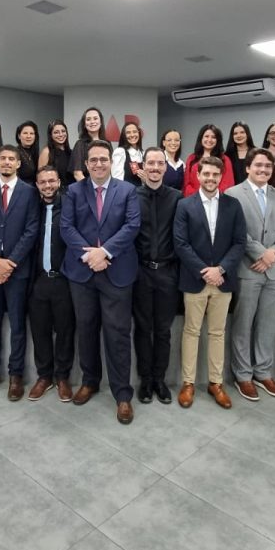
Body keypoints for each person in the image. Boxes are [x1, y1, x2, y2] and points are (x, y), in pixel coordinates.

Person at [61, 140, 141, 425]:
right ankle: (90, 381)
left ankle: (122, 394)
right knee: (86, 329)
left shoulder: (128, 190)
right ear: (86, 164)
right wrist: (90, 255)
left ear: (111, 161)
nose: (98, 164)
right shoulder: (73, 191)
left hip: (117, 271)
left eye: (103, 159)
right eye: (93, 160)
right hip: (82, 272)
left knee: (118, 333)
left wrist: (104, 252)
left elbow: (132, 226)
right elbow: (66, 227)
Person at [173, 156, 246, 409]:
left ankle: (216, 383)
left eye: (215, 174)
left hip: (223, 280)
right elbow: (181, 243)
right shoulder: (185, 205)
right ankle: (188, 383)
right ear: (198, 175)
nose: (211, 178)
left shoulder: (233, 205)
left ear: (221, 176)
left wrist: (221, 269)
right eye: (206, 174)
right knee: (191, 331)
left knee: (217, 332)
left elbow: (239, 242)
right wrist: (205, 271)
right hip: (195, 279)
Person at [225, 148, 275, 400]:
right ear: (248, 167)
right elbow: (236, 232)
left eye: (268, 166)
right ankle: (243, 375)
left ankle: (263, 373)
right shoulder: (232, 194)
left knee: (267, 324)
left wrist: (272, 254)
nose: (263, 170)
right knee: (243, 324)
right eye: (258, 165)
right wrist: (260, 253)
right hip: (248, 269)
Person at [0, 145, 40, 400]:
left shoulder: (29, 192)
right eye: (3, 158)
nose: (7, 162)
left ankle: (16, 375)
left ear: (18, 164)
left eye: (12, 159)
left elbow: (31, 230)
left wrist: (9, 263)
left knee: (17, 325)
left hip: (17, 271)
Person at [132, 146, 181, 404]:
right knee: (142, 328)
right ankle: (145, 380)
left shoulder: (177, 198)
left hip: (167, 273)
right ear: (143, 166)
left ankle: (159, 379)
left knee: (163, 330)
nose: (154, 168)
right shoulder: (132, 196)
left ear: (165, 167)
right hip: (140, 272)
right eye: (150, 163)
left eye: (159, 163)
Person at [26, 164, 75, 402]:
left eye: (52, 181)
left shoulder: (69, 207)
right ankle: (44, 376)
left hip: (63, 280)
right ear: (37, 185)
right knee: (40, 331)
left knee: (65, 331)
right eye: (43, 182)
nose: (48, 186)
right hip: (38, 281)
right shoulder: (32, 209)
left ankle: (62, 377)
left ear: (59, 182)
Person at [182, 124, 234, 196]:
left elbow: (228, 184)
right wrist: (199, 197)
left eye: (213, 137)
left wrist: (211, 196)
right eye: (206, 136)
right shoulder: (191, 158)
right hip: (193, 199)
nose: (209, 140)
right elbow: (186, 184)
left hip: (217, 199)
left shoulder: (225, 160)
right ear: (201, 138)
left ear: (218, 140)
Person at [70, 106, 106, 182]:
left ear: (101, 122)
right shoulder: (80, 145)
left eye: (95, 118)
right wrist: (93, 188)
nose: (92, 122)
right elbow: (77, 174)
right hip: (86, 187)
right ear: (84, 124)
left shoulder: (107, 144)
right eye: (88, 119)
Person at [39, 120, 73, 189]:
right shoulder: (46, 152)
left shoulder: (70, 152)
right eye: (56, 132)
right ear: (50, 135)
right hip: (55, 192)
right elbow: (41, 176)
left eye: (63, 131)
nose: (61, 134)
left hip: (71, 191)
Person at [112, 119, 145, 186]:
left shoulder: (143, 153)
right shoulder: (120, 152)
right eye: (128, 133)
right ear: (124, 135)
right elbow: (116, 180)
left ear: (139, 133)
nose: (132, 135)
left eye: (134, 132)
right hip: (126, 191)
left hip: (142, 191)